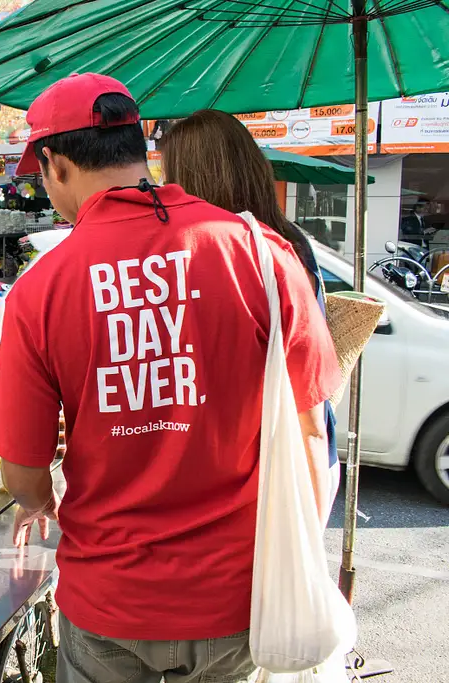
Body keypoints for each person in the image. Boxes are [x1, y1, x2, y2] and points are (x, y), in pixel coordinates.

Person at [0, 74, 341, 683]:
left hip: (109, 602)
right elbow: (311, 429)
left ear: (54, 164)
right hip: (239, 600)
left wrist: (46, 503)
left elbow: (24, 475)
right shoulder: (258, 251)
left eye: (41, 174)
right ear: (140, 145)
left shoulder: (40, 290)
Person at [159, 108, 341, 522]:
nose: (164, 190)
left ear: (195, 178)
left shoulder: (259, 255)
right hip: (289, 456)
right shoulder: (287, 241)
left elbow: (307, 416)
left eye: (170, 177)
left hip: (279, 466)